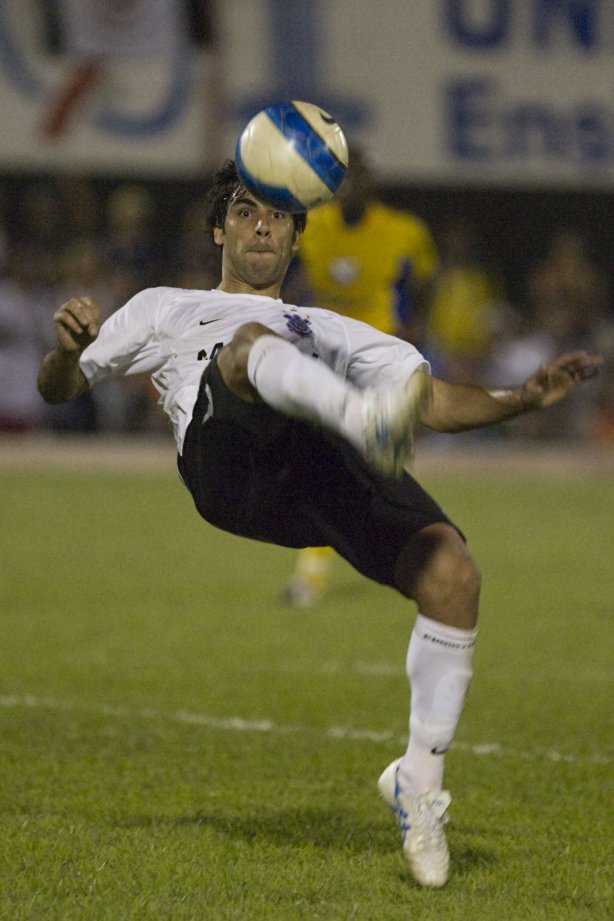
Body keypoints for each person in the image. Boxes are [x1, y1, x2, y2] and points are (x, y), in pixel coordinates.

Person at [37, 160, 602, 889]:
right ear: (218, 228)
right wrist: (67, 347)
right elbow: (61, 388)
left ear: (296, 236)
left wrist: (519, 397)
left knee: (453, 575)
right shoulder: (164, 308)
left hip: (317, 467)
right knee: (247, 346)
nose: (261, 224)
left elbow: (431, 402)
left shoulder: (336, 330)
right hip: (230, 468)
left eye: (277, 214)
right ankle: (358, 416)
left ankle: (418, 781)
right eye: (244, 211)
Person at [281, 146, 439, 606]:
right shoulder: (310, 227)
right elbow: (286, 281)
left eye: (358, 177)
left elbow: (426, 283)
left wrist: (415, 334)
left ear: (373, 183)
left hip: (378, 352)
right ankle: (395, 554)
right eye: (342, 178)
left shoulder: (404, 232)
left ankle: (335, 569)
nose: (350, 186)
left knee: (362, 466)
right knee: (335, 465)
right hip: (326, 353)